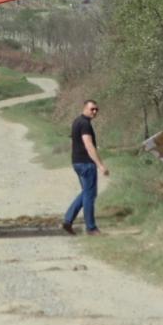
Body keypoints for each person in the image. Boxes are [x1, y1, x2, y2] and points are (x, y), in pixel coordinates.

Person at [63, 99, 109, 236]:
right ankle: (91, 228)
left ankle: (68, 220)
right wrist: (100, 165)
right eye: (92, 109)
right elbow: (88, 145)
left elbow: (79, 142)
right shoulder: (85, 124)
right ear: (85, 108)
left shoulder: (77, 121)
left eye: (96, 109)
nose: (94, 111)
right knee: (89, 195)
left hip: (77, 162)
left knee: (86, 193)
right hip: (86, 163)